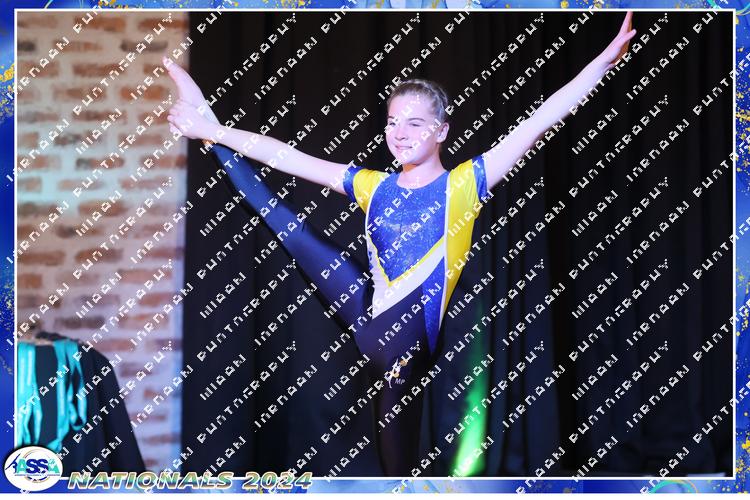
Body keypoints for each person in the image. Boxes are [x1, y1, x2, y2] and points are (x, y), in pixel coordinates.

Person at [165, 12, 635, 476]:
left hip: (406, 348)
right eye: (392, 123)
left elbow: (540, 119)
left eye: (414, 124)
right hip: (366, 313)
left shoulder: (464, 184)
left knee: (397, 468)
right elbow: (288, 157)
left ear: (442, 130)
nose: (400, 134)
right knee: (283, 222)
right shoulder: (373, 185)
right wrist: (215, 132)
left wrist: (602, 63)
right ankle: (208, 126)